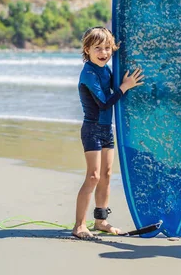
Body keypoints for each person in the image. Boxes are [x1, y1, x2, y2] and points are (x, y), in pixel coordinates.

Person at [73, 26, 144, 240]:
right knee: (93, 176)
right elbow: (104, 104)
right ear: (87, 50)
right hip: (92, 129)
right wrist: (125, 87)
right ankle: (79, 225)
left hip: (107, 129)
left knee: (105, 175)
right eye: (98, 48)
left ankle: (101, 221)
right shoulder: (88, 73)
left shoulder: (105, 69)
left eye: (107, 48)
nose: (104, 53)